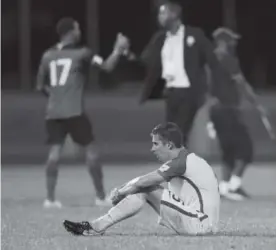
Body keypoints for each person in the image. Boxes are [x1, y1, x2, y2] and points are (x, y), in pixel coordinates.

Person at [63, 122, 220, 236]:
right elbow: (143, 180)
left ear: (170, 145)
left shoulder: (181, 162)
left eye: (156, 144)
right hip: (203, 223)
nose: (152, 149)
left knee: (145, 188)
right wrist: (125, 189)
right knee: (144, 187)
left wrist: (121, 193)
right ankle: (96, 227)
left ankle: (96, 227)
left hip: (199, 224)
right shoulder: (189, 160)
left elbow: (144, 182)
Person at [36, 17, 129, 208]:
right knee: (91, 150)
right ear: (71, 32)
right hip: (74, 111)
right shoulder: (82, 53)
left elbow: (40, 86)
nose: (80, 32)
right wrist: (117, 50)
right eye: (77, 29)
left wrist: (55, 97)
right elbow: (107, 67)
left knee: (54, 153)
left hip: (53, 112)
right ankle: (101, 197)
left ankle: (50, 199)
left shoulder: (47, 55)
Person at [127, 1, 223, 146]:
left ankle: (180, 166)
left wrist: (213, 91)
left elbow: (213, 61)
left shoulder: (194, 35)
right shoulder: (160, 39)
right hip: (171, 94)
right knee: (173, 137)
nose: (159, 17)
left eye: (162, 12)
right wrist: (127, 53)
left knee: (178, 135)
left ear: (174, 14)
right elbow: (145, 61)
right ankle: (183, 166)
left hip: (189, 93)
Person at [207, 27, 256, 200]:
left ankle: (224, 188)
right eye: (231, 40)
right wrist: (255, 102)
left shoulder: (209, 60)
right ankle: (234, 186)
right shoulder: (228, 59)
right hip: (227, 110)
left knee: (228, 151)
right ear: (222, 41)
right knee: (246, 149)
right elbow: (241, 83)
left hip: (215, 111)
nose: (234, 43)